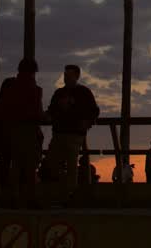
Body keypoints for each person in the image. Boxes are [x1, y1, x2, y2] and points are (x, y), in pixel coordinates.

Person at [0, 58, 44, 208]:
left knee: (15, 165)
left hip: (12, 131)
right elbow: (37, 112)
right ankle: (30, 198)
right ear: (33, 72)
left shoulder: (10, 86)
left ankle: (13, 197)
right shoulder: (35, 89)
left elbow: (2, 108)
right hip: (28, 131)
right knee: (30, 166)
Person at [48, 63, 99, 200]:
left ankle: (68, 193)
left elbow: (94, 111)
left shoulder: (83, 92)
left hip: (74, 134)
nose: (66, 78)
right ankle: (60, 192)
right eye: (65, 75)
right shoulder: (59, 93)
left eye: (69, 75)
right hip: (60, 133)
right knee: (54, 163)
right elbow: (51, 111)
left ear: (76, 76)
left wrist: (86, 124)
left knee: (70, 165)